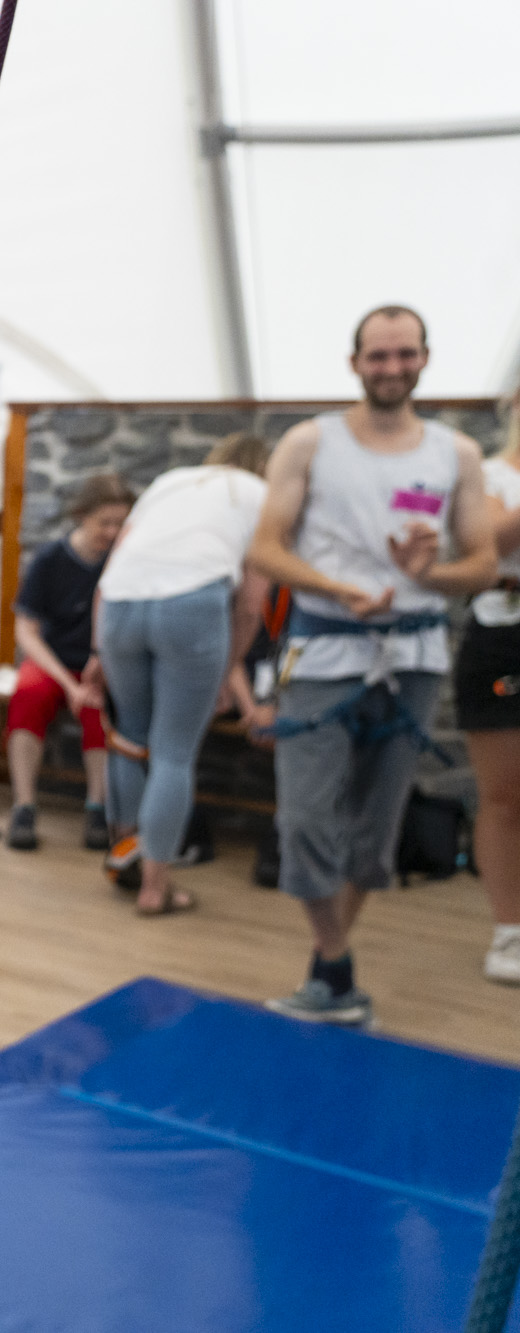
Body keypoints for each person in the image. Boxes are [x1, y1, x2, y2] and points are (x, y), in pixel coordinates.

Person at [247, 305, 496, 1026]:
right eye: (378, 356)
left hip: (413, 655)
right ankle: (334, 956)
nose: (392, 368)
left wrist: (433, 570)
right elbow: (266, 549)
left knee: (373, 828)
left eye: (405, 354)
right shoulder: (309, 442)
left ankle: (329, 971)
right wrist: (337, 588)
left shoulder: (456, 455)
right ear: (354, 362)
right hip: (323, 649)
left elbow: (480, 565)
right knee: (303, 821)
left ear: (424, 358)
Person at [91, 434, 273, 915]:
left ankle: (124, 858)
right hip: (192, 604)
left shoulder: (170, 482)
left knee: (129, 738)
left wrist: (98, 650)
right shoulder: (262, 497)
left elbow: (111, 570)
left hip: (121, 603)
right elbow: (252, 605)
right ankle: (156, 888)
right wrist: (224, 670)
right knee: (173, 752)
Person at [4, 473, 133, 851]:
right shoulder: (50, 560)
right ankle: (24, 806)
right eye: (103, 523)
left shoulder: (124, 561)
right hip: (53, 662)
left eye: (119, 523)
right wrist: (67, 682)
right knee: (27, 696)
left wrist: (97, 670)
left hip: (101, 663)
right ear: (81, 516)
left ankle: (97, 808)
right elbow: (26, 631)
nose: (111, 532)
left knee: (100, 709)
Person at [460, 395, 520, 983]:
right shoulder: (488, 474)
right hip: (504, 642)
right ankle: (509, 933)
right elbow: (489, 549)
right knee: (505, 795)